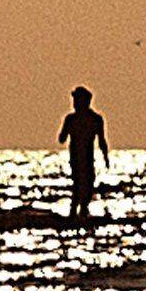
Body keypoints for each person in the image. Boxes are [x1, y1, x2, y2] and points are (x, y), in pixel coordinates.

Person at [58, 86, 109, 219]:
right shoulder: (71, 119)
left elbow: (102, 140)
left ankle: (82, 211)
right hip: (75, 157)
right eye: (74, 100)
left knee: (88, 183)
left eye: (77, 100)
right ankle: (74, 212)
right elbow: (62, 138)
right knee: (78, 183)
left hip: (87, 157)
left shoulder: (95, 119)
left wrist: (106, 157)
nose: (74, 104)